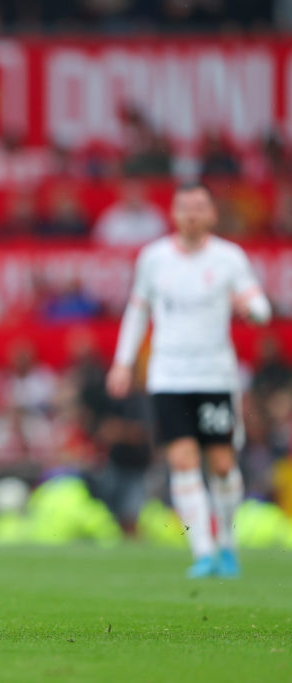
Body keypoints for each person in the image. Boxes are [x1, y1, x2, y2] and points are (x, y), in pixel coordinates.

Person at [106, 182, 271, 578]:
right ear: (174, 214)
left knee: (221, 462)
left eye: (200, 207)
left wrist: (255, 312)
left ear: (212, 214)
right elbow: (137, 310)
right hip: (169, 375)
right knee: (181, 459)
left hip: (215, 376)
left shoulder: (229, 258)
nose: (192, 214)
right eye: (185, 207)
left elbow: (260, 304)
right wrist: (123, 363)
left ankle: (227, 546)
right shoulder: (154, 258)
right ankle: (203, 551)